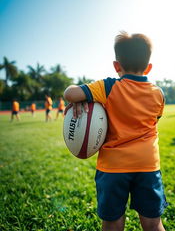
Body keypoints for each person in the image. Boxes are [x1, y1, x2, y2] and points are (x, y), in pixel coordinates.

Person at [64, 32, 167, 231]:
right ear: (149, 67)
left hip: (113, 167)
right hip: (148, 165)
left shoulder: (108, 87)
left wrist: (83, 97)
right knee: (153, 224)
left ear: (116, 66)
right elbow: (156, 120)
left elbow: (70, 93)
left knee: (112, 223)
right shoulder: (158, 94)